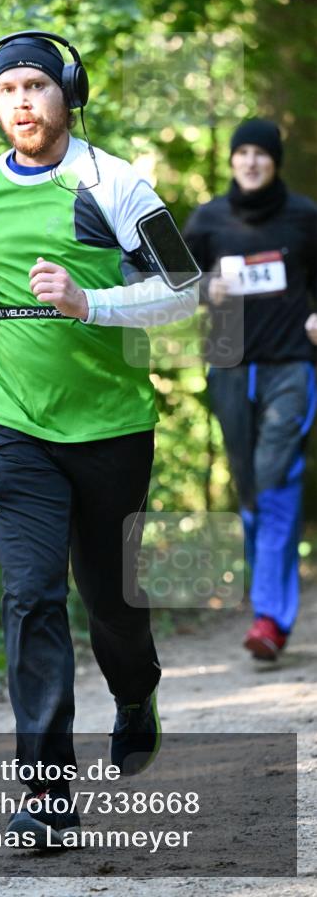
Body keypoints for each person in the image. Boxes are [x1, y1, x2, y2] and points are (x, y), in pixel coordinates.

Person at [0, 31, 198, 847]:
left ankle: (133, 693)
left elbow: (183, 288)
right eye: (7, 88)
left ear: (67, 94)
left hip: (111, 426)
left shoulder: (115, 182)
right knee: (30, 597)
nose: (21, 101)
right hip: (11, 422)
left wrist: (91, 303)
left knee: (110, 600)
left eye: (36, 86)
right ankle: (47, 796)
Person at [184, 118, 317, 661]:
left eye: (262, 153)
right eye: (244, 153)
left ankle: (269, 616)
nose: (252, 161)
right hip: (230, 364)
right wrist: (202, 286)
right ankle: (271, 605)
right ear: (233, 161)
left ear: (275, 161)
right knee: (249, 483)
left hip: (291, 365)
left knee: (274, 472)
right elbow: (167, 278)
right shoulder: (210, 219)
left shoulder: (305, 217)